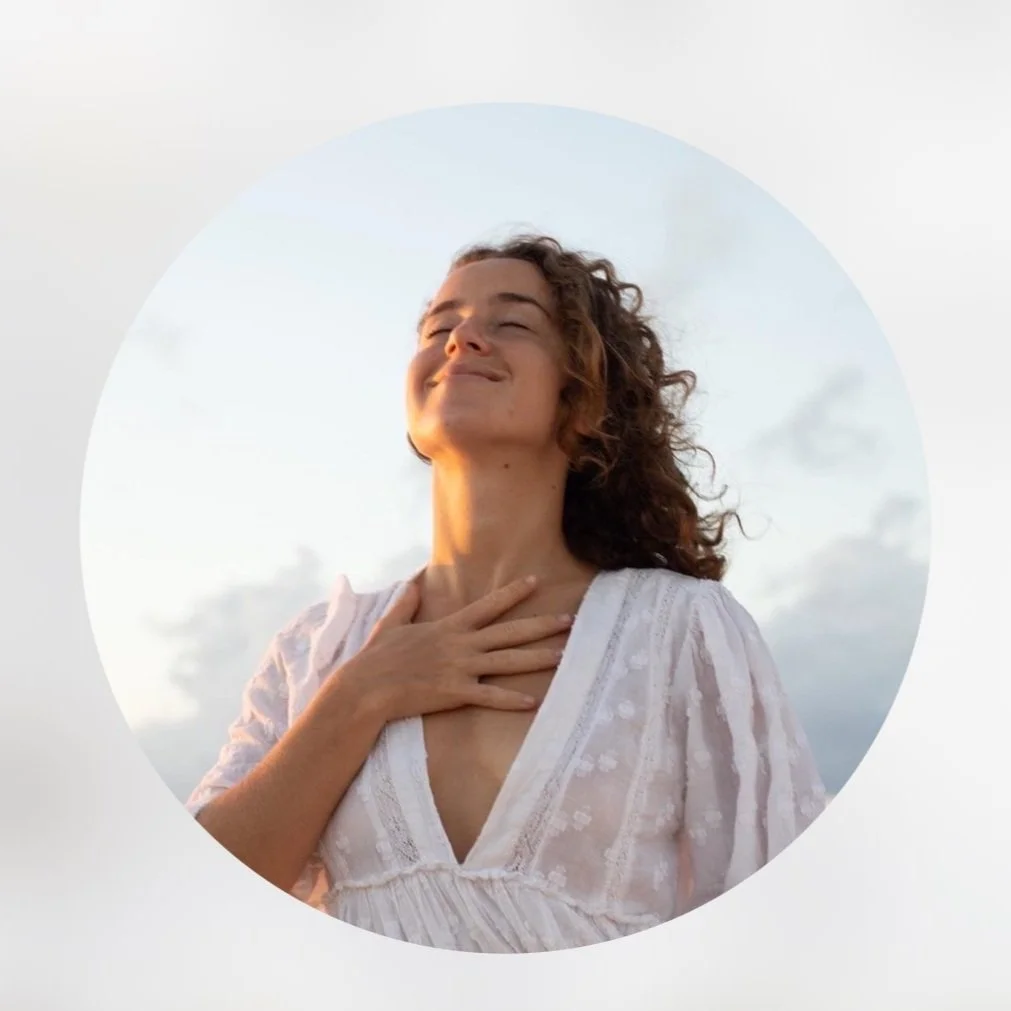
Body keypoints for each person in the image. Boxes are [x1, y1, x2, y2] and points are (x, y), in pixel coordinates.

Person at [186, 234, 827, 953]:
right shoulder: (318, 648)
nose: (462, 338)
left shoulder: (681, 628)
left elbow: (781, 925)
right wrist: (360, 694)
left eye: (512, 321)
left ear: (584, 400)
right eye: (439, 325)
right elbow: (199, 899)